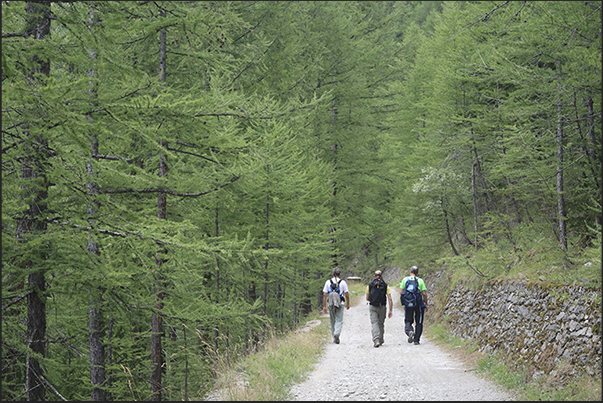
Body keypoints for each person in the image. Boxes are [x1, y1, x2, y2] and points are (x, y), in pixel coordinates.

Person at [399, 265, 428, 345]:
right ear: (417, 273)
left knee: (408, 320)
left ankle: (409, 332)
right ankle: (416, 340)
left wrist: (405, 301)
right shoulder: (420, 280)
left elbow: (401, 292)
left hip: (408, 304)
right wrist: (426, 303)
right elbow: (424, 293)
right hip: (418, 304)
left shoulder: (405, 280)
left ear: (410, 272)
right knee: (419, 321)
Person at [365, 270, 393, 347]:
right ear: (382, 276)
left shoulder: (370, 285)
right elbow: (390, 298)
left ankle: (376, 339)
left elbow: (367, 298)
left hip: (373, 306)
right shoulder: (385, 285)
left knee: (374, 323)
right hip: (382, 306)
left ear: (374, 276)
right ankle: (380, 339)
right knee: (381, 323)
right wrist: (390, 310)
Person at [322, 267, 350, 344]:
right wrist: (347, 303)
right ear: (340, 274)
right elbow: (346, 294)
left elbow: (325, 295)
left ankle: (334, 336)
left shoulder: (328, 282)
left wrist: (324, 306)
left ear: (332, 274)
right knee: (339, 320)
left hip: (331, 303)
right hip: (340, 303)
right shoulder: (343, 282)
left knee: (332, 320)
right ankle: (337, 334)